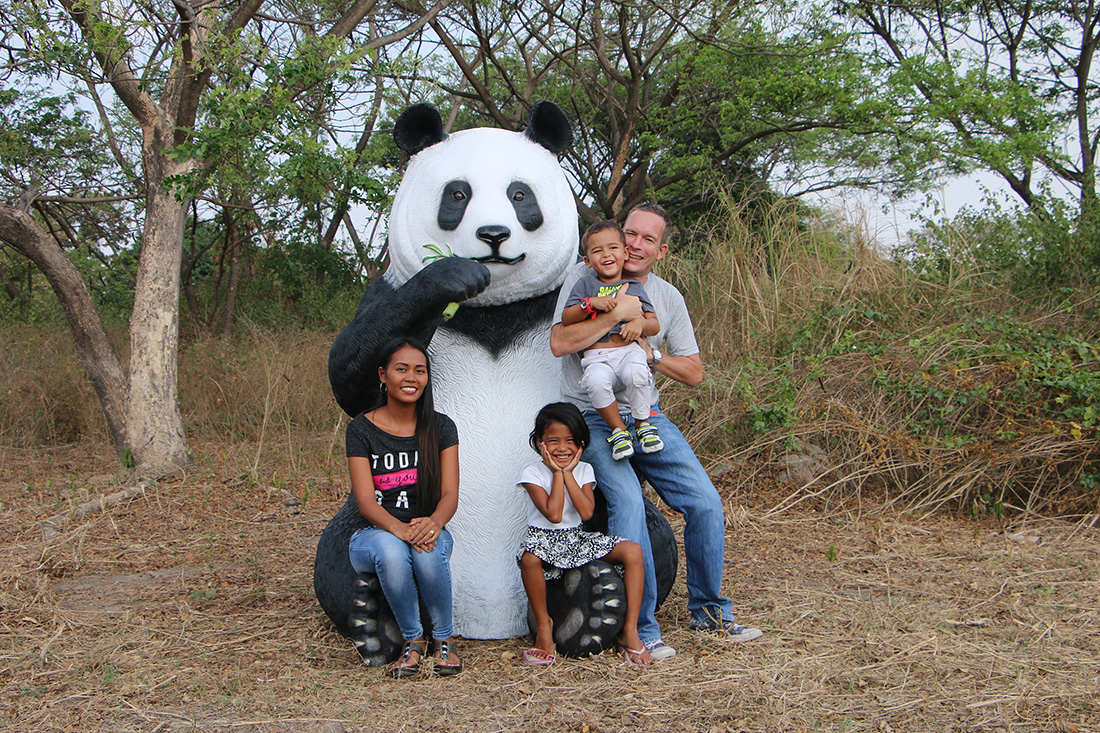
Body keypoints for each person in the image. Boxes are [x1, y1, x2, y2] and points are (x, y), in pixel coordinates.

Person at [550, 203, 763, 662]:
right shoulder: (583, 278)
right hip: (592, 417)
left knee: (705, 501)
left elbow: (693, 372)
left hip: (649, 416)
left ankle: (708, 610)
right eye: (630, 234)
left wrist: (650, 354)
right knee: (628, 505)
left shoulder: (668, 297)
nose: (635, 245)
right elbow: (559, 342)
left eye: (648, 239)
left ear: (661, 250)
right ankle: (641, 629)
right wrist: (614, 314)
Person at [346, 337, 463, 678]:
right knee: (392, 549)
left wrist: (435, 523)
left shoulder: (441, 427)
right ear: (383, 375)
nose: (411, 378)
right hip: (374, 535)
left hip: (427, 529)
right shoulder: (361, 428)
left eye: (419, 371)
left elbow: (450, 493)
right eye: (401, 369)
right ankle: (413, 640)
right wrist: (400, 530)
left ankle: (444, 640)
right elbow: (365, 500)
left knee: (427, 552)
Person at [516, 402, 653, 668]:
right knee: (529, 560)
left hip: (576, 539)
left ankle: (630, 631)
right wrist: (558, 473)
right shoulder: (532, 474)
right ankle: (544, 628)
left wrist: (569, 475)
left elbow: (587, 512)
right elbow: (553, 515)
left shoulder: (585, 470)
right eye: (553, 441)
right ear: (539, 443)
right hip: (544, 540)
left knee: (633, 551)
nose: (562, 448)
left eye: (569, 441)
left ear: (581, 443)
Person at [561, 221, 663, 460]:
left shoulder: (635, 286)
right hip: (597, 356)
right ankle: (618, 431)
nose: (606, 254)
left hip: (628, 350)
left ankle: (642, 425)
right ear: (587, 261)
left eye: (613, 248)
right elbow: (567, 318)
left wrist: (639, 324)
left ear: (625, 253)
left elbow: (653, 324)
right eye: (597, 251)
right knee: (595, 383)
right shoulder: (585, 284)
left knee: (637, 374)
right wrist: (589, 304)